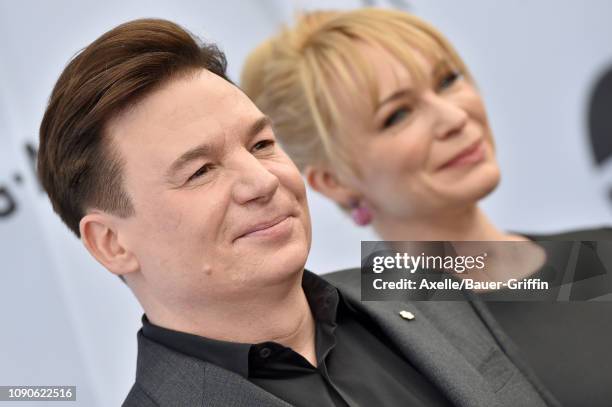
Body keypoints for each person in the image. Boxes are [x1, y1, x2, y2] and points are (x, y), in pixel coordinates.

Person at [37, 18, 559, 407]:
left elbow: (569, 282)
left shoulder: (419, 284)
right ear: (111, 243)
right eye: (201, 171)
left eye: (262, 144)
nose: (264, 181)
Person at [241, 7, 612, 406]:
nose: (454, 117)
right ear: (334, 182)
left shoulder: (599, 253)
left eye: (448, 80)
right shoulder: (365, 340)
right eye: (398, 114)